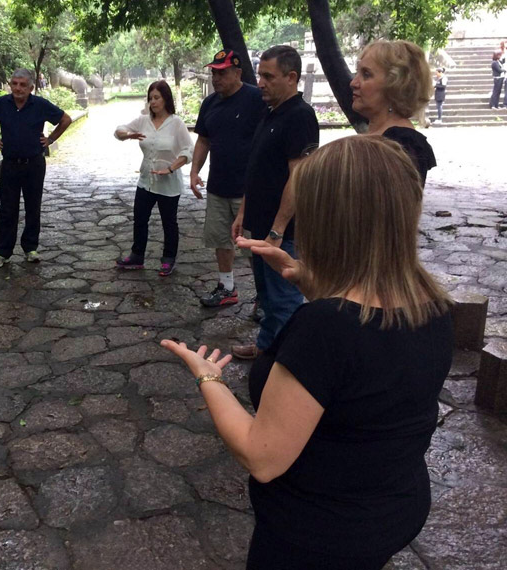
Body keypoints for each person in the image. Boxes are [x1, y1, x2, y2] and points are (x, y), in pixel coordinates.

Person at [163, 135, 453, 570]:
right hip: (394, 510)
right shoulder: (432, 303)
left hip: (316, 534)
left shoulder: (324, 327)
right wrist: (309, 282)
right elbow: (368, 353)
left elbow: (262, 456)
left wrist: (209, 378)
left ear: (329, 220)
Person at [229, 45, 319, 360]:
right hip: (260, 227)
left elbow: (299, 178)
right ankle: (268, 348)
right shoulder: (272, 112)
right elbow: (258, 169)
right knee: (267, 296)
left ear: (291, 77)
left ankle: (286, 364)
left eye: (269, 76)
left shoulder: (300, 116)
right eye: (260, 75)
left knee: (284, 300)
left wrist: (277, 230)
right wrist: (243, 213)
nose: (261, 83)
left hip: (282, 234)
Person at [190, 49, 266, 306]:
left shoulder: (256, 99)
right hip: (218, 187)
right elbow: (203, 139)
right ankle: (227, 287)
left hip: (249, 190)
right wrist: (194, 171)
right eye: (213, 72)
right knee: (221, 240)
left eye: (221, 72)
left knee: (253, 246)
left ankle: (264, 295)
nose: (216, 78)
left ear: (237, 73)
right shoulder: (210, 103)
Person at [0, 68, 72, 268]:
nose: (18, 88)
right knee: (7, 209)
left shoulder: (40, 105)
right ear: (10, 85)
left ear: (30, 88)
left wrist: (51, 139)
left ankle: (30, 248)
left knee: (33, 207)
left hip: (34, 164)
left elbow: (65, 119)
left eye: (22, 85)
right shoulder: (1, 104)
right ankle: (2, 253)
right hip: (10, 164)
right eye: (14, 84)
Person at [114, 80, 194, 276]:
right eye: (150, 98)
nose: (153, 102)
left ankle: (168, 258)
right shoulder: (143, 120)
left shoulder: (176, 123)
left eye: (157, 97)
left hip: (168, 183)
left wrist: (171, 167)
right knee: (140, 218)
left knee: (169, 222)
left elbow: (189, 149)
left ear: (166, 98)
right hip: (146, 180)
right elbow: (118, 130)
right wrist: (128, 135)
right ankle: (137, 256)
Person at [350, 40, 437, 185]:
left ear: (396, 85)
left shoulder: (402, 143)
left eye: (366, 74)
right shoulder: (380, 134)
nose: (353, 83)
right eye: (357, 73)